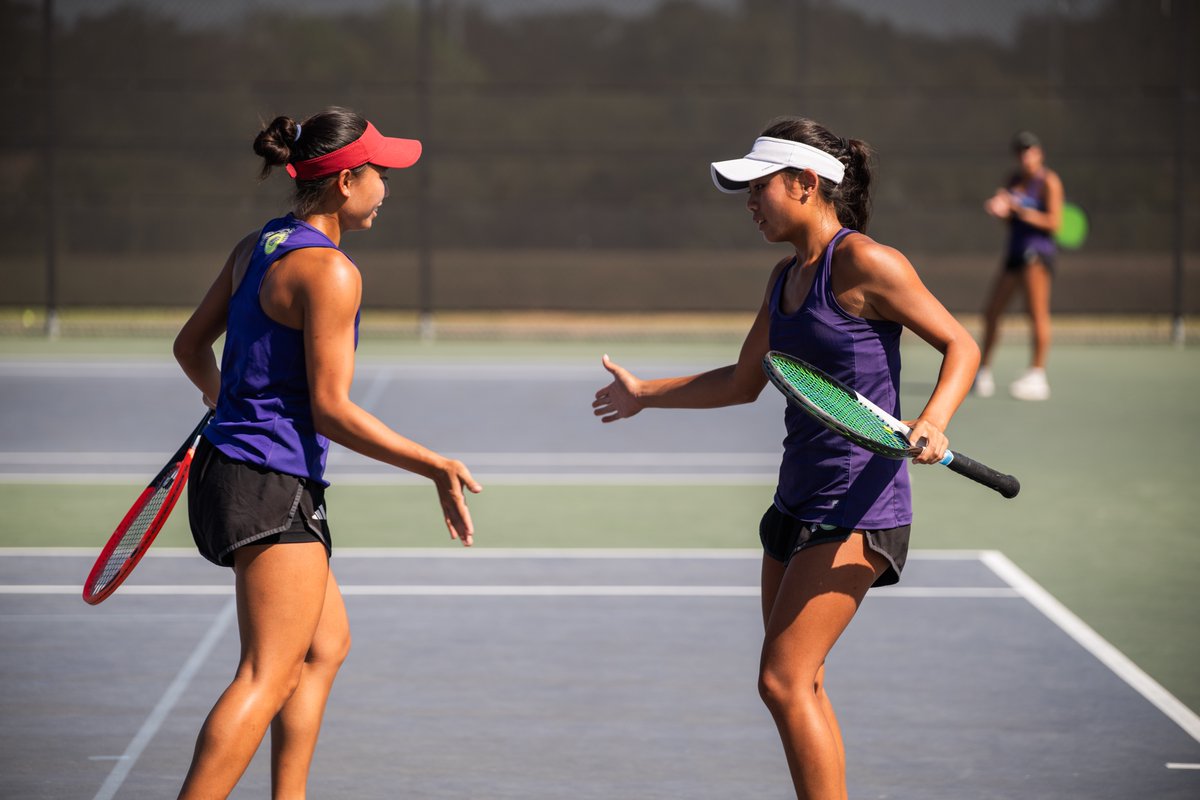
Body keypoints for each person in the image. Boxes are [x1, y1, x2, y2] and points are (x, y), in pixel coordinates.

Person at [592, 117, 979, 800]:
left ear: (804, 184)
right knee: (797, 683)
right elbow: (744, 382)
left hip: (860, 508)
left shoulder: (865, 264)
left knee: (783, 678)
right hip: (796, 501)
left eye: (757, 188)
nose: (747, 203)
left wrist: (935, 419)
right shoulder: (783, 279)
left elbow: (961, 345)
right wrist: (645, 394)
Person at [172, 107, 481, 799]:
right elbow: (332, 410)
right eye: (382, 173)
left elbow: (190, 348)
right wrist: (435, 465)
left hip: (244, 472)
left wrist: (224, 399)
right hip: (269, 481)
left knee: (322, 646)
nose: (389, 186)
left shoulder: (258, 244)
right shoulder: (331, 273)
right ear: (345, 183)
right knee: (267, 672)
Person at [976, 130, 1063, 401]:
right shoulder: (1013, 180)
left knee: (1036, 313)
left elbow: (1054, 222)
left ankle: (1037, 375)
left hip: (1037, 255)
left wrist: (1020, 209)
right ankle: (983, 371)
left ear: (1040, 154)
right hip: (1014, 253)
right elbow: (1010, 219)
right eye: (1021, 151)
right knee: (991, 312)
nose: (1026, 156)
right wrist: (1001, 210)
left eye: (1031, 150)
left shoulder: (1049, 182)